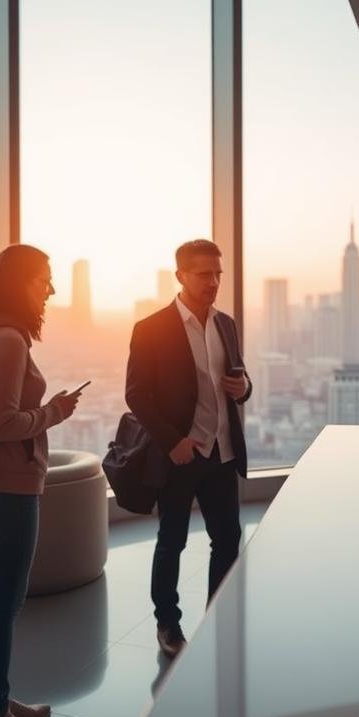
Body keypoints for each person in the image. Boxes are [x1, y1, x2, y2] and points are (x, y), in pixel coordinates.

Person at [0, 245, 79, 717]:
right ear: (17, 283)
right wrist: (54, 412)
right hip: (8, 486)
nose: (50, 289)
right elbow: (1, 424)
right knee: (6, 602)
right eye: (42, 279)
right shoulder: (8, 340)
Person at [125, 239, 251, 658]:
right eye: (204, 275)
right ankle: (168, 624)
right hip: (180, 454)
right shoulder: (151, 328)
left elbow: (238, 378)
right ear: (180, 275)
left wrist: (244, 386)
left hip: (222, 451)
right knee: (172, 539)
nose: (213, 282)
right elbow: (137, 395)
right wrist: (172, 441)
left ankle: (218, 616)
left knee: (228, 537)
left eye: (218, 274)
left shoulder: (226, 324)